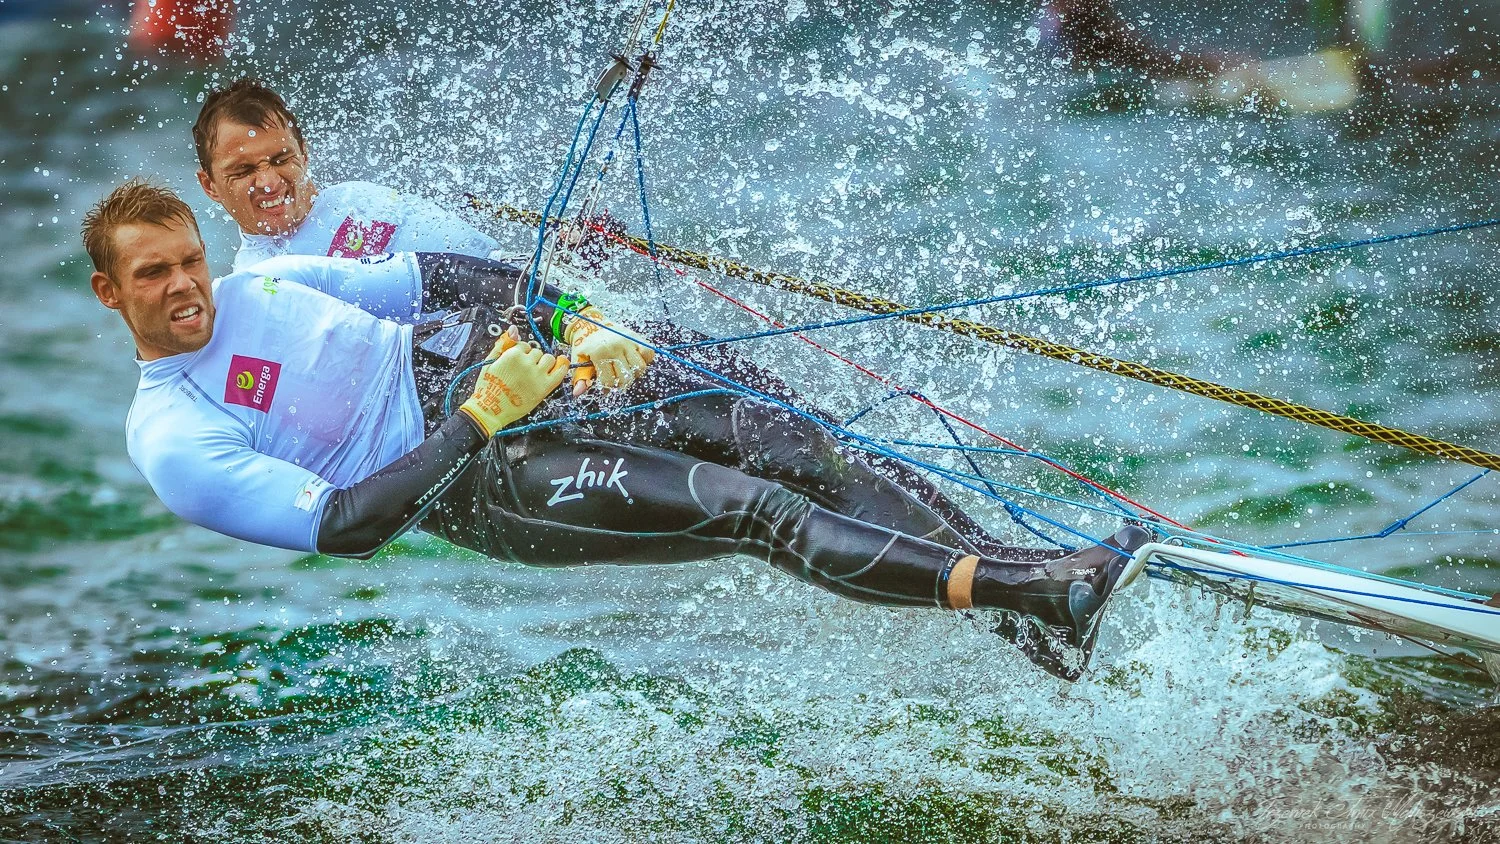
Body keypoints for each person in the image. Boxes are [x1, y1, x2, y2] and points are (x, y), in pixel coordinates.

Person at [85, 180, 1146, 681]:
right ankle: (1037, 590)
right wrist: (473, 421)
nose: (187, 287)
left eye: (187, 258)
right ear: (108, 293)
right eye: (153, 275)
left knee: (787, 440)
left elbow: (462, 278)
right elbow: (352, 524)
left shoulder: (266, 280)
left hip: (505, 381)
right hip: (476, 484)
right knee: (756, 510)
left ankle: (1034, 590)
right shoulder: (173, 438)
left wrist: (572, 319)